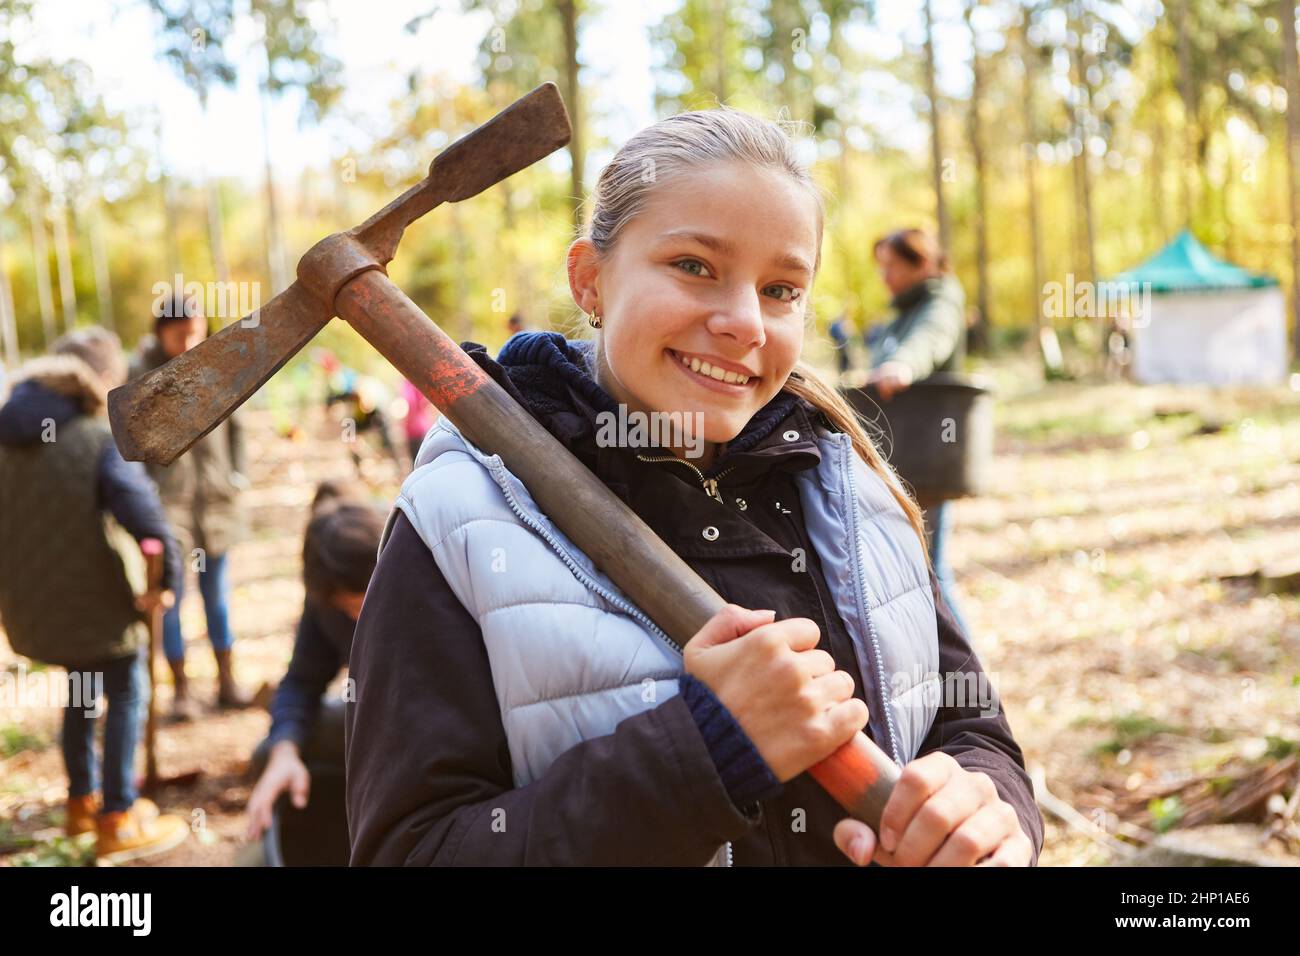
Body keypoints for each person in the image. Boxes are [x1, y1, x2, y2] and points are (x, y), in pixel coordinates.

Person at [345, 108, 1042, 867]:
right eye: (695, 266)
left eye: (782, 289)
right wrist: (705, 753)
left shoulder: (850, 487)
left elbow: (968, 727)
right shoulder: (463, 524)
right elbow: (413, 850)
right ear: (590, 279)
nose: (745, 322)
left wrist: (985, 805)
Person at [0, 328, 190, 862]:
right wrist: (170, 581)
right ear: (101, 380)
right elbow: (145, 518)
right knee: (127, 689)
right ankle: (118, 817)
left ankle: (81, 802)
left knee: (80, 692)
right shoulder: (92, 438)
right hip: (97, 606)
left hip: (33, 612)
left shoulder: (6, 437)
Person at [130, 291, 253, 718]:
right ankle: (181, 690)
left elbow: (238, 427)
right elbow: (130, 448)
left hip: (216, 504)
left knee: (217, 595)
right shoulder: (139, 379)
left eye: (195, 333)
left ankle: (227, 681)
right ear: (160, 332)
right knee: (174, 599)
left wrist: (237, 475)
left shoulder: (218, 369)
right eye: (179, 334)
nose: (188, 343)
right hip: (170, 510)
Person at [244, 481, 384, 843]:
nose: (358, 617)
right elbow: (301, 683)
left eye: (365, 600)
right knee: (269, 753)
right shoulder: (324, 601)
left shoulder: (427, 573)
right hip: (375, 721)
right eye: (349, 607)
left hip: (445, 730)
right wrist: (285, 750)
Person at [868, 228, 973, 639]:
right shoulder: (903, 310)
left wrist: (903, 366)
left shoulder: (941, 299)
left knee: (931, 573)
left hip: (927, 457)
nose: (885, 276)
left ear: (923, 264)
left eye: (892, 266)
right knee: (917, 570)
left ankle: (969, 679)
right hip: (903, 454)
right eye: (882, 267)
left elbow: (932, 337)